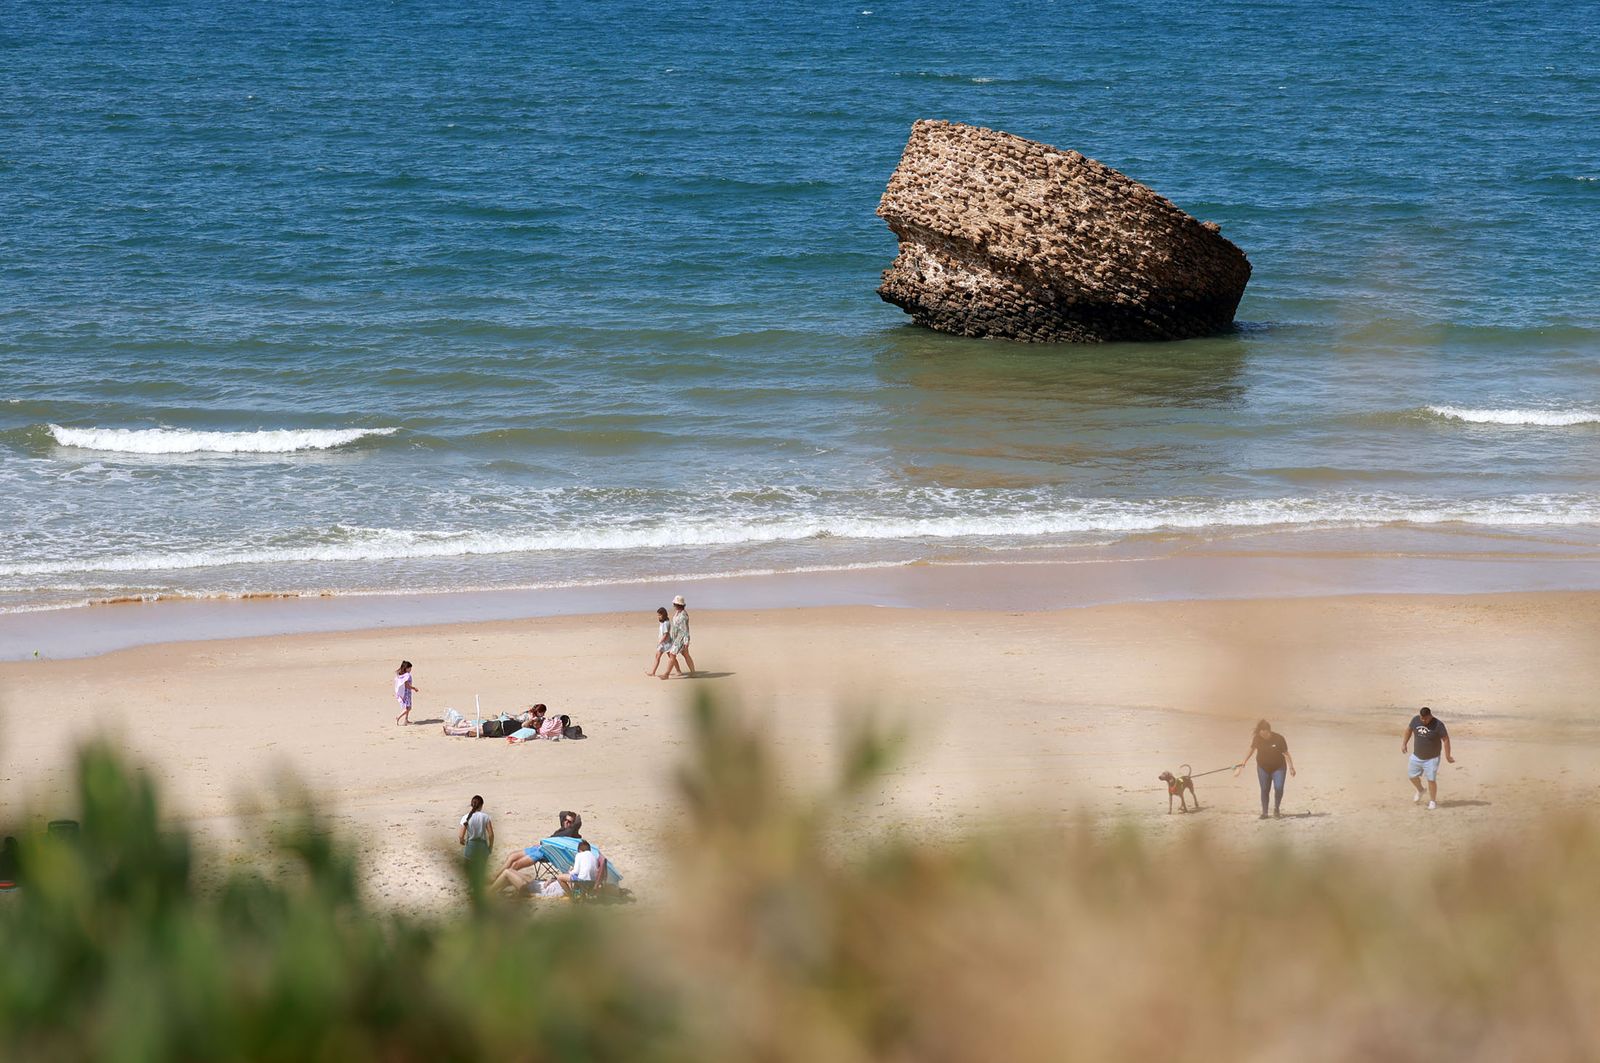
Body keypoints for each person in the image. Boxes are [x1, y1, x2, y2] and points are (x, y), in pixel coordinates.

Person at [1234, 719, 1296, 819]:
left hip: (1279, 768)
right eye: (1260, 734)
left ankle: (1276, 809)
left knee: (1279, 788)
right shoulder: (1257, 738)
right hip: (1263, 768)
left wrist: (1291, 767)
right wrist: (1243, 762)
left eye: (1264, 734)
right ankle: (1265, 812)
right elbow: (1251, 749)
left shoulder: (1279, 738)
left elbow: (1286, 754)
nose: (1262, 736)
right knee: (1264, 789)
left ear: (1268, 731)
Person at [497, 811, 582, 875]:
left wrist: (576, 822)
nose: (567, 822)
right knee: (512, 856)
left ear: (573, 824)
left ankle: (505, 879)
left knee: (516, 864)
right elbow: (562, 813)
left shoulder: (572, 834)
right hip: (541, 847)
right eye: (566, 820)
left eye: (570, 822)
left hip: (546, 853)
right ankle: (497, 876)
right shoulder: (561, 830)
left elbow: (576, 826)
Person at [1402, 706, 1454, 810]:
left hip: (1432, 758)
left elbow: (1446, 740)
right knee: (1411, 776)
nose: (1423, 720)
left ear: (1430, 716)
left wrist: (1447, 756)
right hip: (1416, 756)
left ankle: (1432, 801)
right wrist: (1404, 743)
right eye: (1422, 718)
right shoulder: (1415, 720)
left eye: (1425, 718)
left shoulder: (1438, 725)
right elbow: (1408, 730)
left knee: (1431, 780)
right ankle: (1421, 790)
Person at [660, 595, 694, 680]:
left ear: (677, 604)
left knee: (672, 654)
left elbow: (685, 630)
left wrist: (686, 641)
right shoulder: (678, 612)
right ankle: (693, 672)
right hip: (676, 637)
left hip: (681, 638)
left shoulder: (683, 616)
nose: (673, 605)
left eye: (674, 604)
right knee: (686, 654)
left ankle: (666, 674)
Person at [458, 795, 494, 865]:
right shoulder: (485, 817)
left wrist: (462, 841)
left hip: (471, 846)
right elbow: (491, 835)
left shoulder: (465, 817)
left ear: (471, 805)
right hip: (482, 847)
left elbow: (460, 836)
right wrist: (490, 847)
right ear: (481, 805)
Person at [647, 606, 672, 677]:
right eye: (658, 615)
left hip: (666, 643)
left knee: (671, 658)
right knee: (657, 656)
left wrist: (660, 642)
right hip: (662, 643)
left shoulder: (666, 623)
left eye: (659, 615)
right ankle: (653, 672)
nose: (658, 616)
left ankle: (678, 670)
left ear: (663, 615)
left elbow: (666, 634)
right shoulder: (662, 622)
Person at [394, 660, 418, 726]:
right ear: (407, 668)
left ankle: (406, 720)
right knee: (408, 708)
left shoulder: (401, 675)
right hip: (407, 694)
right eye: (410, 668)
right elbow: (407, 685)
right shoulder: (407, 675)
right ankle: (398, 717)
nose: (411, 670)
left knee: (407, 707)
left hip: (404, 693)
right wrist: (414, 688)